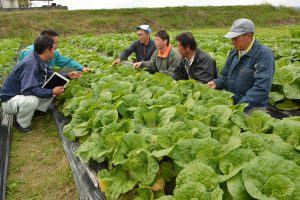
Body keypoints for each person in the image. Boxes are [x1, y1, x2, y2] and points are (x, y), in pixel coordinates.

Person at [0, 36, 81, 133]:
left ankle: (34, 112)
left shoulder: (39, 58)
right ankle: (22, 124)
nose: (54, 52)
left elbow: (49, 75)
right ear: (47, 50)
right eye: (53, 49)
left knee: (52, 86)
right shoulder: (31, 65)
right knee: (32, 100)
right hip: (9, 102)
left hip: (20, 96)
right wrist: (51, 91)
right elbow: (28, 90)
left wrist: (68, 75)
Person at [207, 18, 275, 113]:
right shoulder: (234, 52)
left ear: (248, 36)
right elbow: (225, 76)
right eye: (232, 38)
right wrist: (216, 83)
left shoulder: (264, 54)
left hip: (253, 107)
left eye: (235, 38)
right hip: (233, 103)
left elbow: (261, 89)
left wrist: (239, 107)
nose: (232, 41)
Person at [19, 29, 94, 72]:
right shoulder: (29, 53)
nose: (56, 46)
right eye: (54, 43)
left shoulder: (53, 53)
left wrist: (82, 68)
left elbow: (67, 61)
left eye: (57, 43)